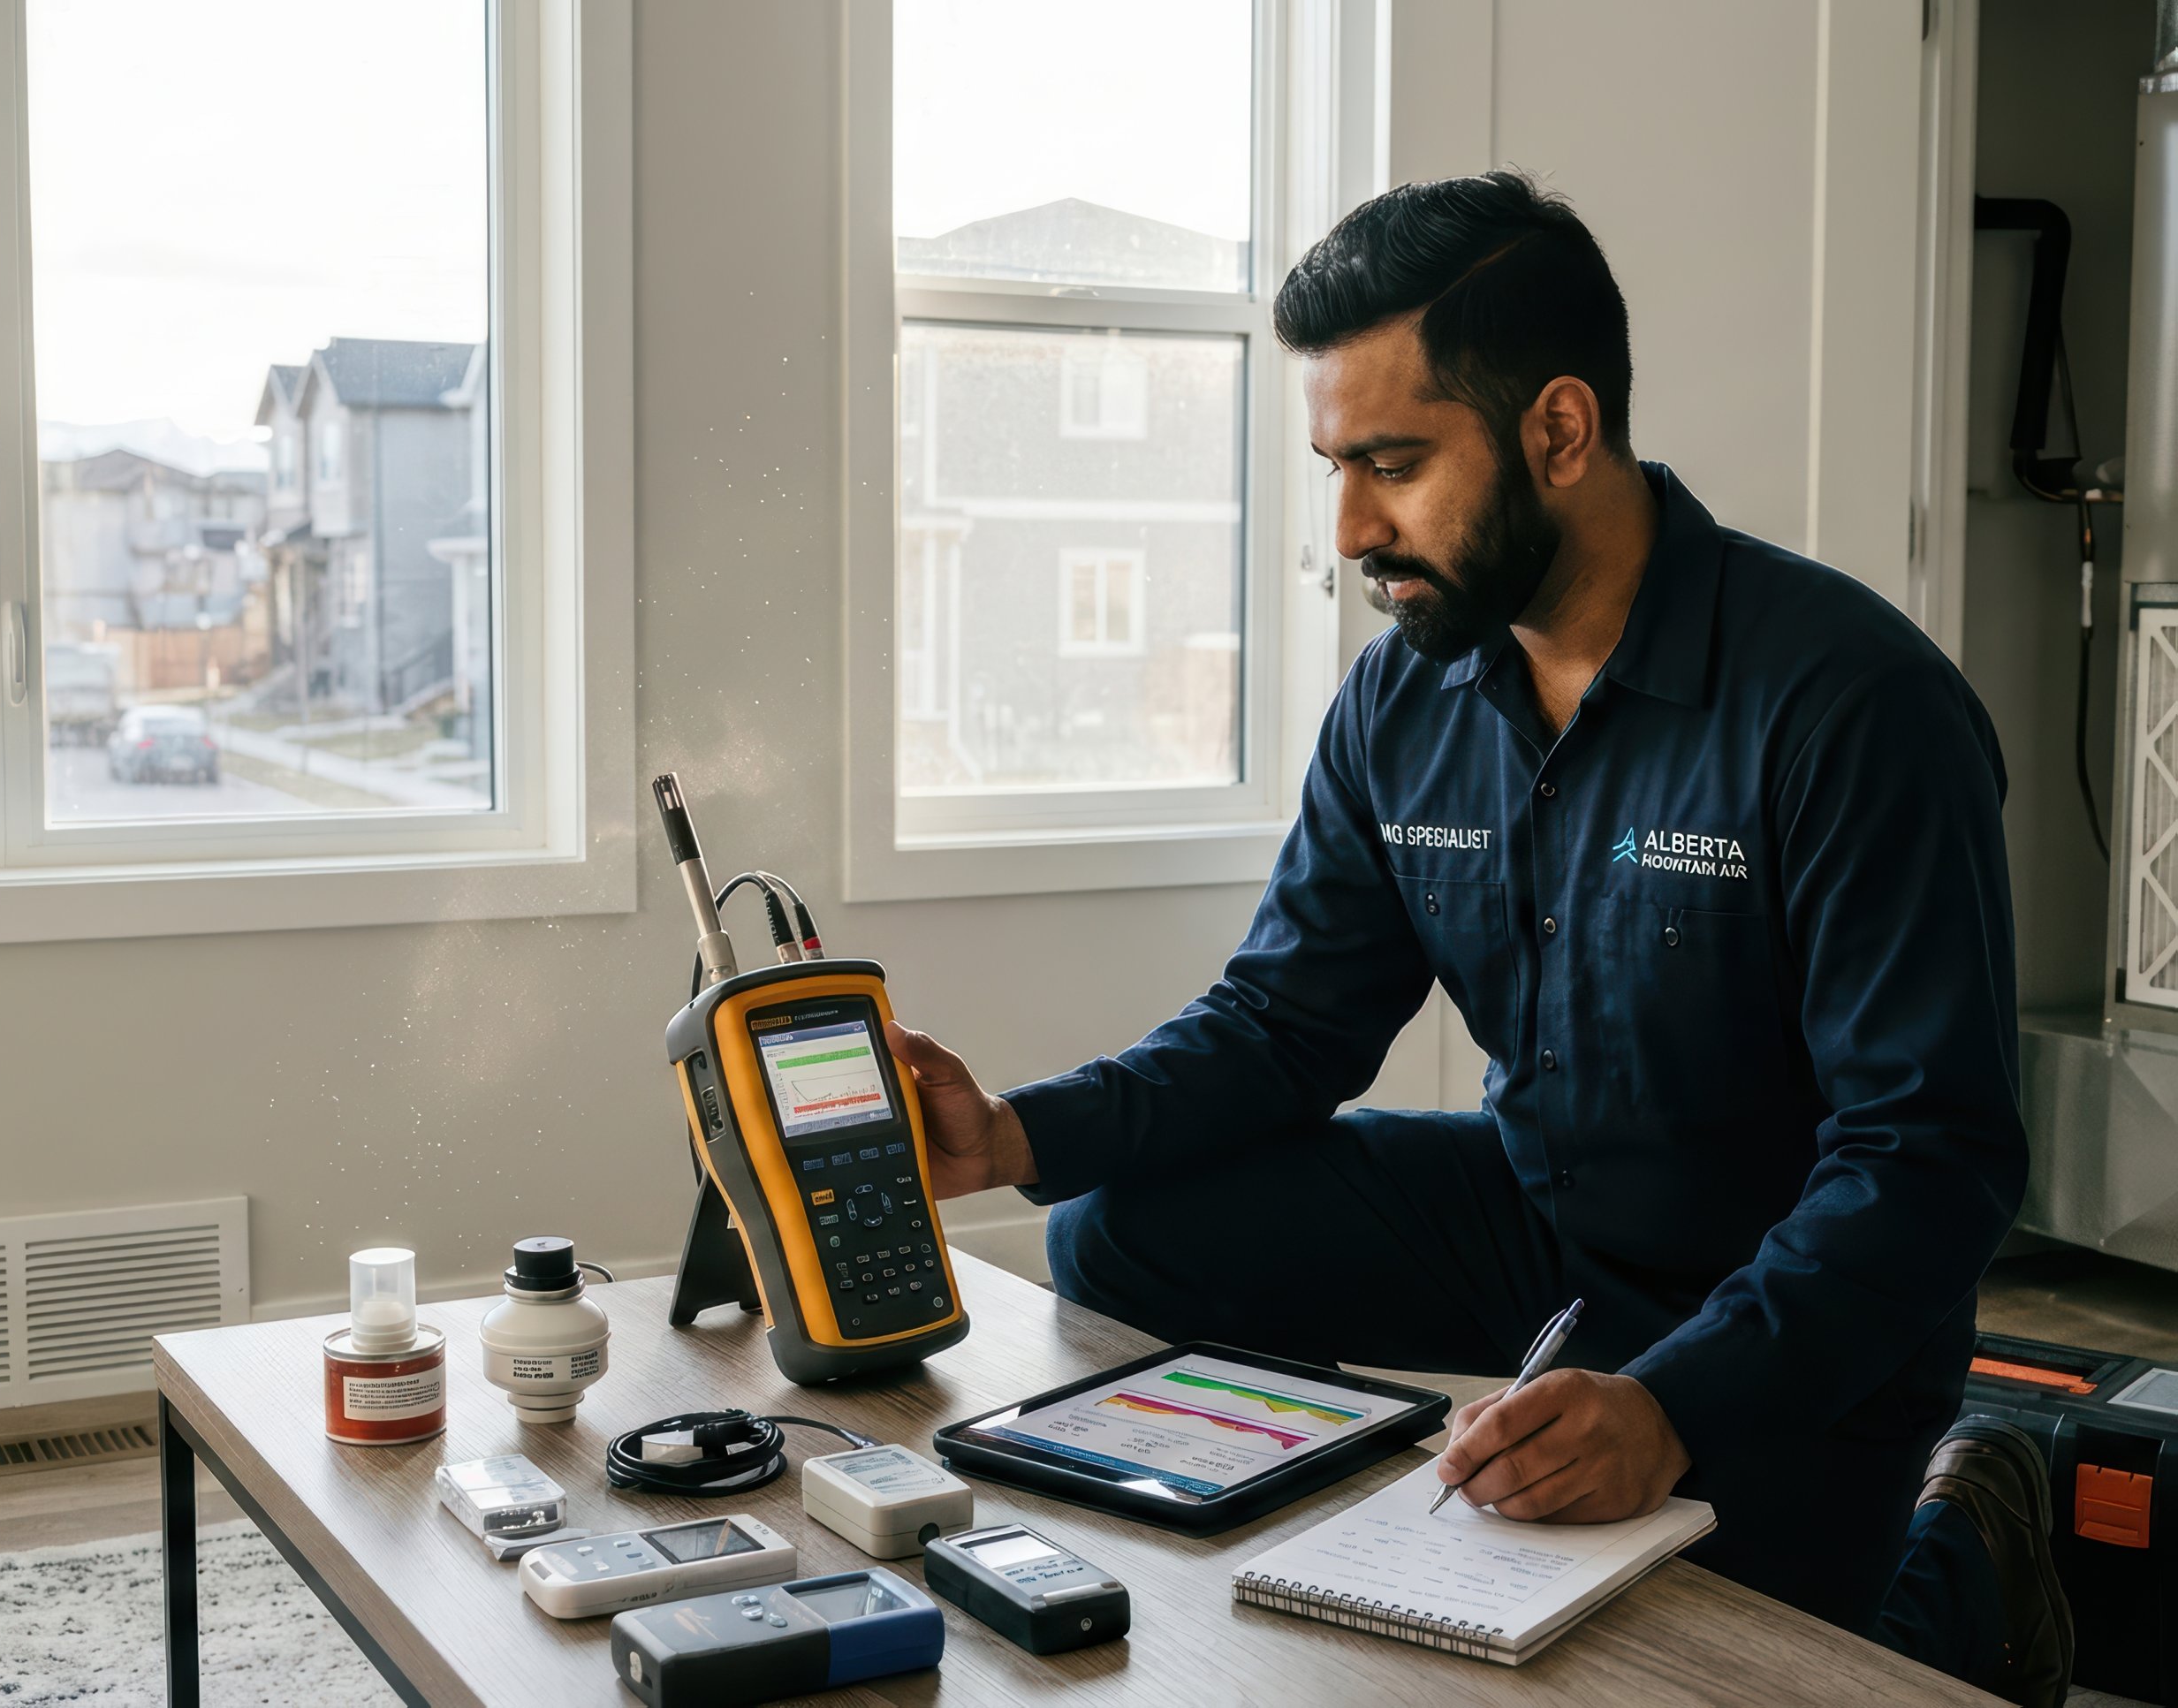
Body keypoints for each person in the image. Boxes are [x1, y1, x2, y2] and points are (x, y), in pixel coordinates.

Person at [887, 173, 2072, 1706]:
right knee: (1112, 1227)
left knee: (1731, 1667)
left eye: (1392, 464)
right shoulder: (1406, 699)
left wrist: (1670, 1406)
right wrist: (1015, 1132)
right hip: (1539, 1235)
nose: (1351, 528)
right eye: (1334, 467)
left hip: (1789, 1304)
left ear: (1559, 432)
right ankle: (1416, 1529)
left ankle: (1966, 1545)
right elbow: (1284, 1022)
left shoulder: (1851, 705)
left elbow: (1935, 1156)